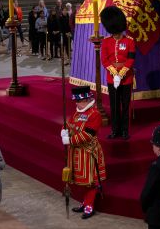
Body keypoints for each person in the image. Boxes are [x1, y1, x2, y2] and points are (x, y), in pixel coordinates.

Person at [61, 86, 106, 219]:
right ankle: (85, 202)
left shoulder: (94, 114)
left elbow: (88, 135)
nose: (76, 103)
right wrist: (64, 130)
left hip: (88, 153)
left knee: (90, 181)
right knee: (81, 180)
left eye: (79, 101)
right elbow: (69, 124)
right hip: (77, 153)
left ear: (86, 100)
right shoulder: (77, 112)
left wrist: (69, 139)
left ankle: (89, 206)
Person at [100, 6, 136, 140]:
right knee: (114, 106)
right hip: (111, 78)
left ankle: (125, 131)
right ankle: (115, 130)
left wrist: (121, 74)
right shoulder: (106, 42)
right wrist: (114, 73)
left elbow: (131, 59)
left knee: (125, 106)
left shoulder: (129, 41)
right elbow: (104, 60)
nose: (114, 34)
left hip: (126, 78)